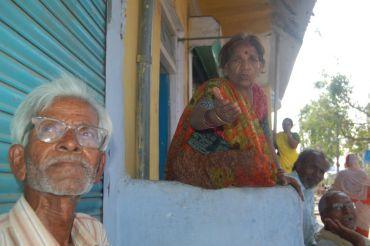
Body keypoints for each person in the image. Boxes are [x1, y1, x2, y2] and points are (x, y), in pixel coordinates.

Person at [165, 33, 300, 192]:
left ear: (261, 66)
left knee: (259, 163)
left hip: (235, 166)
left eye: (252, 59)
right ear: (226, 67)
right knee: (253, 163)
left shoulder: (260, 97)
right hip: (195, 164)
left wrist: (278, 171)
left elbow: (266, 137)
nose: (245, 66)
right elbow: (195, 119)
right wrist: (214, 116)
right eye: (237, 60)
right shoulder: (216, 89)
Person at [0, 75, 112, 245]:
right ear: (19, 161)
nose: (70, 142)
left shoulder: (94, 232)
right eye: (49, 129)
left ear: (99, 167)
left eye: (86, 133)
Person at [290, 149, 330, 245]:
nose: (317, 175)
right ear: (299, 165)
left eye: (321, 172)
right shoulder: (288, 186)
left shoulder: (308, 189)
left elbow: (309, 225)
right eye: (312, 167)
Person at [332, 154, 370, 237]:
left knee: (346, 237)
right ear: (356, 162)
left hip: (345, 210)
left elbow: (332, 193)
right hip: (363, 211)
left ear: (346, 162)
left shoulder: (342, 174)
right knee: (362, 236)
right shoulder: (363, 175)